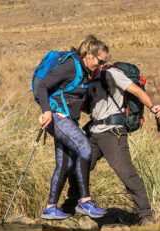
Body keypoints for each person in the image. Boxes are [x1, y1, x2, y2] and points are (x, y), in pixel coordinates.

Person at [64, 61, 160, 226]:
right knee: (77, 167)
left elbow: (136, 91)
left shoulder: (112, 73)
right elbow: (89, 109)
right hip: (93, 132)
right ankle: (71, 207)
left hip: (112, 132)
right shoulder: (89, 79)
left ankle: (146, 216)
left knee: (127, 174)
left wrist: (152, 106)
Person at [34, 35, 108, 220]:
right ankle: (85, 201)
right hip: (58, 118)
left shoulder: (85, 71)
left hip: (68, 120)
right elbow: (41, 85)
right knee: (84, 147)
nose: (99, 65)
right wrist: (46, 111)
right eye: (99, 61)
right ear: (90, 54)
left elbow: (72, 95)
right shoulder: (70, 66)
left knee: (65, 163)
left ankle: (50, 208)